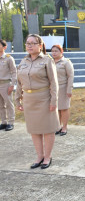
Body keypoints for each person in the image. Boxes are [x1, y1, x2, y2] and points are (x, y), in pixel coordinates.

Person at [15, 34, 60, 169]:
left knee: (47, 129)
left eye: (33, 43)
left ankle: (47, 157)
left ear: (40, 46)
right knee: (34, 130)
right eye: (27, 43)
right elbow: (19, 82)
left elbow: (54, 82)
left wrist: (54, 101)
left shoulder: (47, 60)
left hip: (44, 99)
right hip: (29, 100)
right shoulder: (23, 62)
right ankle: (39, 156)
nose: (29, 45)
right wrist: (17, 100)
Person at [51, 44, 74, 136]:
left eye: (56, 51)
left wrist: (69, 89)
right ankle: (58, 126)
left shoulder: (66, 62)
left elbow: (70, 76)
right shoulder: (50, 62)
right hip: (53, 89)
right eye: (52, 51)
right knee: (56, 108)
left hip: (63, 87)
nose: (54, 53)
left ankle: (64, 127)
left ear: (61, 52)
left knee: (64, 108)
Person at [0, 39, 16, 131]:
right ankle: (3, 122)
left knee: (9, 103)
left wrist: (12, 85)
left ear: (4, 47)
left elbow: (14, 72)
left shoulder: (9, 58)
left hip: (6, 84)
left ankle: (11, 122)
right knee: (0, 105)